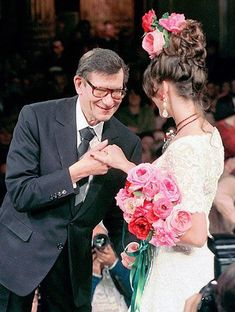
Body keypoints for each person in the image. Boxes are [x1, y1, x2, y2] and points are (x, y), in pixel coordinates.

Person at [90, 13, 224, 311]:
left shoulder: (187, 146)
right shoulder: (208, 133)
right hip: (191, 267)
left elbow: (194, 232)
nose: (155, 103)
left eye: (153, 95)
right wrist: (146, 247)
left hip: (177, 274)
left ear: (162, 89)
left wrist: (128, 169)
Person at [0, 48, 142, 312]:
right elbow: (20, 192)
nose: (109, 101)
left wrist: (129, 246)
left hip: (73, 264)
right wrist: (76, 171)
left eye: (117, 92)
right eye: (100, 90)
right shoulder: (36, 118)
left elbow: (118, 212)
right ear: (80, 84)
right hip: (19, 255)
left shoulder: (127, 142)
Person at [91, 223, 132, 312]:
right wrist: (94, 275)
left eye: (101, 239)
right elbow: (81, 304)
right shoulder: (77, 278)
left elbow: (136, 292)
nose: (97, 246)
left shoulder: (121, 265)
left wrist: (114, 264)